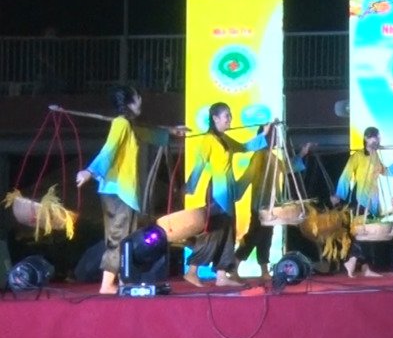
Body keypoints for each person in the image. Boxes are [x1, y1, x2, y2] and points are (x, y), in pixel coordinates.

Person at [75, 85, 183, 294]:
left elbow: (149, 133)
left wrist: (171, 132)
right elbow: (109, 150)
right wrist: (90, 171)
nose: (141, 100)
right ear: (130, 102)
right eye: (137, 97)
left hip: (124, 191)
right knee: (119, 236)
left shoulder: (129, 125)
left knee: (128, 237)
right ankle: (107, 284)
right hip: (117, 191)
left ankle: (123, 280)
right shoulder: (121, 124)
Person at [183, 103, 270, 287]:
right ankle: (192, 271)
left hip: (227, 190)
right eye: (226, 116)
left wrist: (264, 134)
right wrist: (190, 186)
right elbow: (199, 164)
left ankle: (222, 275)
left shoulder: (224, 138)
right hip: (217, 191)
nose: (230, 119)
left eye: (230, 115)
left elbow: (244, 147)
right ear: (215, 119)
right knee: (214, 232)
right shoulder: (208, 140)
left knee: (228, 233)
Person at [235, 125, 312, 280]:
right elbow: (247, 176)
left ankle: (264, 270)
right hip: (260, 205)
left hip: (271, 206)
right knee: (253, 236)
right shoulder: (259, 156)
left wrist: (302, 154)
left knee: (266, 237)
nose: (275, 139)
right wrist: (234, 193)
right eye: (272, 136)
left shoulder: (272, 157)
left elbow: (286, 167)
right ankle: (233, 266)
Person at [333, 126, 393, 277]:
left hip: (373, 200)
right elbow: (346, 175)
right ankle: (352, 261)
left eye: (378, 137)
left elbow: (386, 171)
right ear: (366, 138)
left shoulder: (376, 155)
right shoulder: (358, 156)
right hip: (360, 199)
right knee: (362, 232)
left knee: (368, 234)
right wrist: (339, 195)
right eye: (375, 137)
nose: (378, 140)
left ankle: (365, 267)